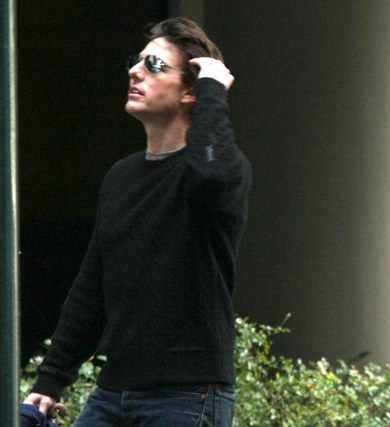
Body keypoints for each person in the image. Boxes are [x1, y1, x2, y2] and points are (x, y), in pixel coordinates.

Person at [23, 17, 251, 427]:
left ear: (190, 91)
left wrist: (213, 91)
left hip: (188, 397)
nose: (135, 71)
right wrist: (51, 379)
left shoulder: (216, 169)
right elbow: (92, 287)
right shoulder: (121, 177)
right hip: (113, 394)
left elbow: (213, 177)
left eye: (154, 65)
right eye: (136, 61)